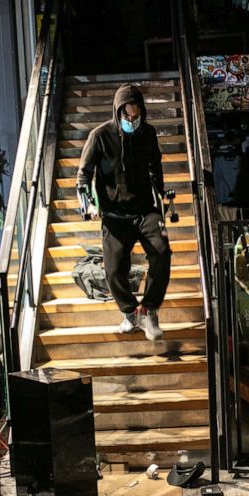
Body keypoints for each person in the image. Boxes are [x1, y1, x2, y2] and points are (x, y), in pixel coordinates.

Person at [76, 83, 170, 340]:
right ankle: (130, 312)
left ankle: (150, 309)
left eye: (136, 115)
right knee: (114, 268)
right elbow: (83, 175)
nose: (132, 120)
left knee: (162, 252)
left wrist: (160, 195)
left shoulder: (148, 133)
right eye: (127, 116)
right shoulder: (99, 135)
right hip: (115, 213)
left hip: (144, 210)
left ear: (142, 112)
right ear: (117, 113)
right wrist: (89, 204)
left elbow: (155, 165)